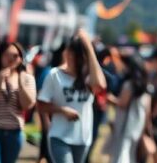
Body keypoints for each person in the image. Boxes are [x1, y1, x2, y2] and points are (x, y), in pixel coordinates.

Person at [36, 32, 107, 163]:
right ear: (67, 53)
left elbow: (101, 85)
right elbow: (40, 104)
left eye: (82, 55)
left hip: (83, 137)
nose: (77, 59)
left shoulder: (88, 77)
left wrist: (89, 48)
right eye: (74, 53)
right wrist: (63, 110)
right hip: (59, 136)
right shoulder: (55, 75)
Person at [0, 41, 36, 163]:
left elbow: (27, 105)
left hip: (14, 133)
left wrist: (20, 82)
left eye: (15, 55)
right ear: (0, 56)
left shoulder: (27, 78)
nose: (11, 59)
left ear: (21, 58)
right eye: (6, 55)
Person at [103, 54, 151, 163]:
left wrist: (110, 98)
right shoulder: (146, 86)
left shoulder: (129, 85)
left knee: (122, 153)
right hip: (137, 125)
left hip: (125, 125)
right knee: (130, 154)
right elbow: (148, 110)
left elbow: (122, 104)